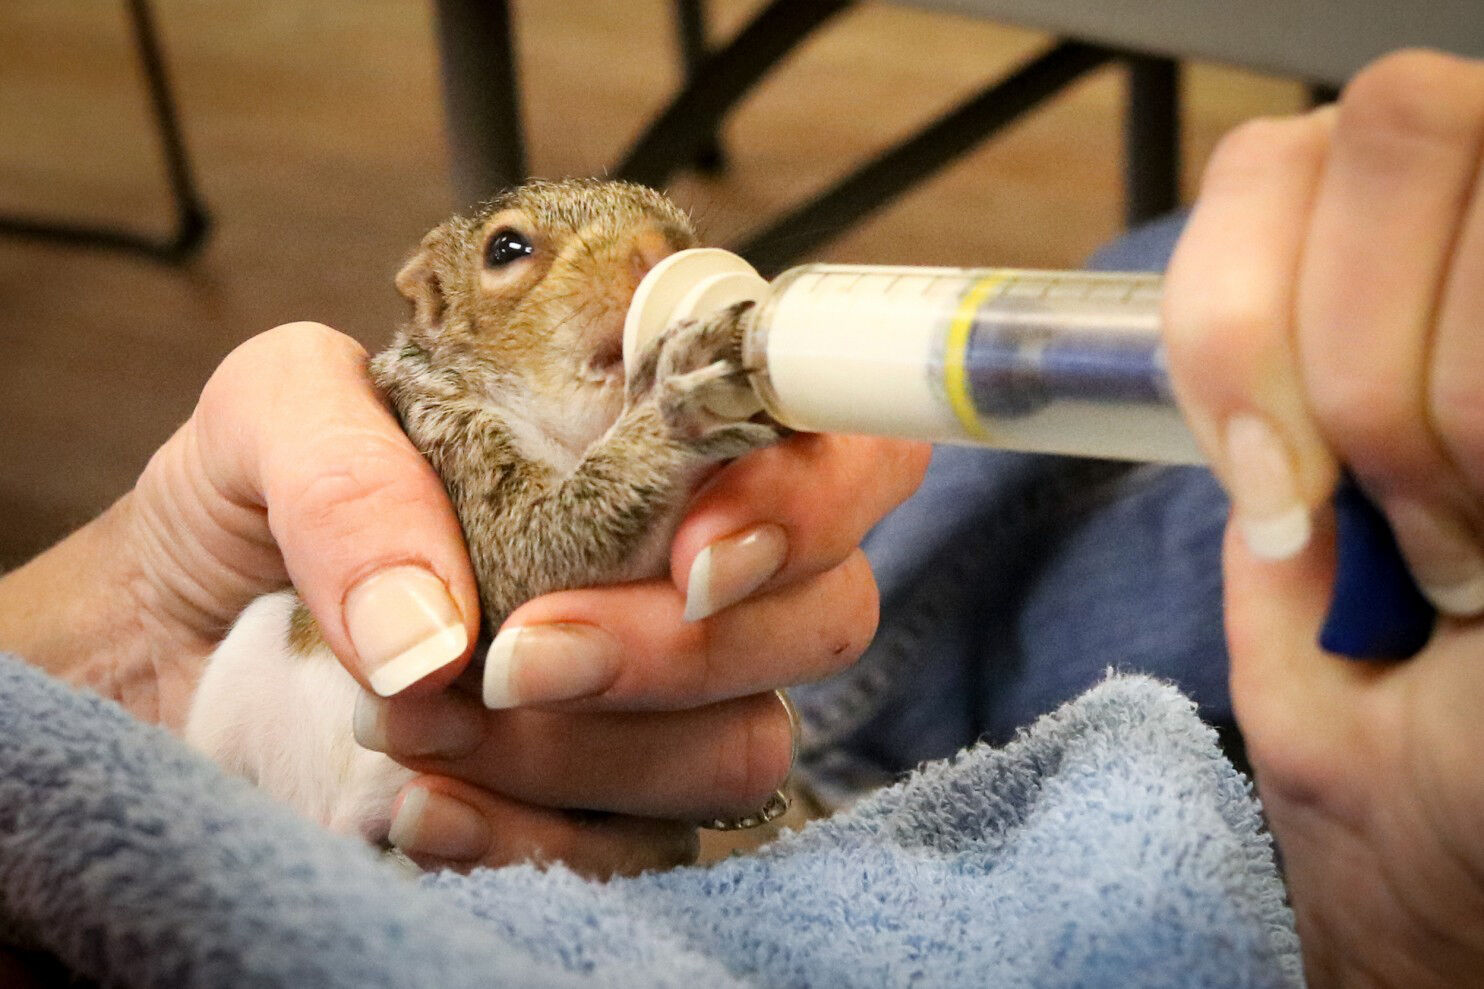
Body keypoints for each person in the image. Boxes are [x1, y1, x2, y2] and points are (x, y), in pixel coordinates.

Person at [1, 46, 1481, 987]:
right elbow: (523, 552)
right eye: (525, 257)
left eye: (655, 244)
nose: (629, 272)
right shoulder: (430, 419)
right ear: (439, 307)